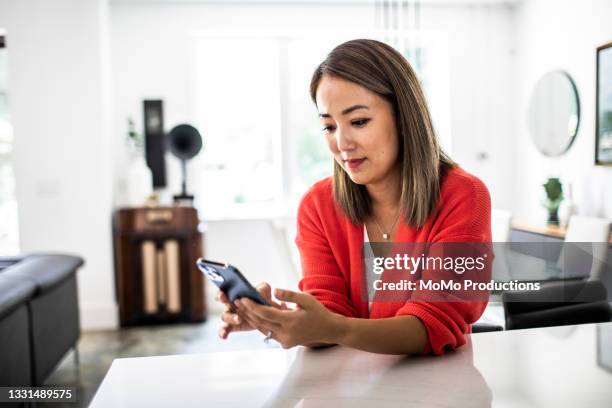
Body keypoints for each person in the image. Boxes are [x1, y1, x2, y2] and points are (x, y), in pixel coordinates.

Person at [216, 39, 491, 355]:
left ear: (404, 118)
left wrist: (332, 327)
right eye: (329, 126)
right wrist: (277, 319)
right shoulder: (318, 206)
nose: (341, 142)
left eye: (358, 122)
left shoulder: (463, 195)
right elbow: (328, 312)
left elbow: (435, 322)